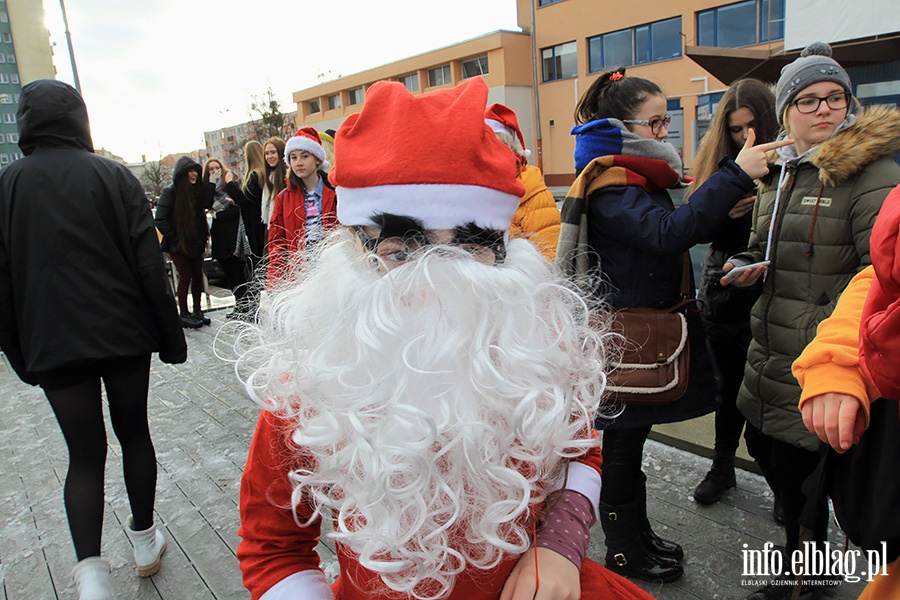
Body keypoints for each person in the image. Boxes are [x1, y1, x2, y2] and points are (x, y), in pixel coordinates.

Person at [235, 77, 655, 600]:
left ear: (503, 253)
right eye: (400, 251)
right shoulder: (316, 379)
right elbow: (271, 546)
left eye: (469, 249)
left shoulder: (535, 348)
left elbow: (578, 450)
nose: (438, 278)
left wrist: (561, 546)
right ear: (354, 255)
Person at [556, 67, 786, 584]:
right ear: (623, 127)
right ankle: (622, 549)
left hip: (635, 332)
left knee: (629, 445)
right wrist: (735, 174)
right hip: (624, 339)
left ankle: (636, 534)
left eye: (667, 122)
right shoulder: (610, 181)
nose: (665, 133)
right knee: (619, 448)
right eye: (656, 123)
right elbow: (666, 233)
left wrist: (727, 214)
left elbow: (670, 232)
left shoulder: (629, 174)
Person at [719, 42, 900, 600]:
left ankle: (803, 581)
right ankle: (798, 567)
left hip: (825, 361)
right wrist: (744, 266)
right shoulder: (783, 171)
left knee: (811, 483)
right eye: (809, 99)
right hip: (771, 352)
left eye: (835, 98)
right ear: (787, 112)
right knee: (781, 473)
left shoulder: (874, 173)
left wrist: (828, 320)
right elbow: (760, 245)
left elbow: (885, 274)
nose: (824, 109)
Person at [0, 80, 185, 600]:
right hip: (124, 332)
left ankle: (92, 578)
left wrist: (20, 354)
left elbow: (1, 280)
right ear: (80, 119)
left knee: (83, 456)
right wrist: (170, 339)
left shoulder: (7, 185)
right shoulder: (112, 175)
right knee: (134, 435)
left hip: (52, 342)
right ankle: (145, 543)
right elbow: (150, 266)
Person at [791, 186, 900, 600]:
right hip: (799, 360)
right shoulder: (776, 176)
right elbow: (882, 278)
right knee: (792, 473)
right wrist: (838, 360)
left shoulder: (875, 175)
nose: (822, 114)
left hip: (816, 345)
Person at [689, 80, 781, 510]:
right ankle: (722, 465)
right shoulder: (723, 165)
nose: (747, 138)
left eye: (753, 127)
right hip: (725, 291)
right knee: (728, 388)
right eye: (736, 129)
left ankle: (786, 488)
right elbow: (697, 229)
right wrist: (725, 208)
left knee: (775, 391)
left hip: (778, 293)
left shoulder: (792, 163)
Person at [484, 103, 560, 261]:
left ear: (512, 150)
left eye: (498, 146)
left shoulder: (532, 192)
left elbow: (552, 254)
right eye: (484, 146)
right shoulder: (474, 191)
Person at [265, 127, 338, 285]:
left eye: (304, 156)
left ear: (317, 159)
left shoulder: (335, 193)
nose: (298, 163)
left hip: (333, 270)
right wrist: (275, 282)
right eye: (293, 157)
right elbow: (278, 243)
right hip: (299, 275)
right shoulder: (283, 198)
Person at [154, 155, 214, 328]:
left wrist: (209, 181)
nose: (193, 174)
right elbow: (161, 219)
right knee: (185, 276)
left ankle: (197, 310)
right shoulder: (170, 192)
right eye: (189, 171)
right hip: (178, 243)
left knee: (197, 276)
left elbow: (207, 204)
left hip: (195, 240)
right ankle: (184, 313)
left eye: (195, 171)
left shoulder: (196, 192)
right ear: (181, 173)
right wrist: (175, 238)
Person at [224, 140, 268, 319]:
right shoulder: (262, 175)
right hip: (257, 227)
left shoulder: (256, 174)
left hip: (255, 230)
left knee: (253, 272)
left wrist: (229, 184)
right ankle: (251, 309)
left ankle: (252, 311)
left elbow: (244, 199)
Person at [205, 157, 252, 319]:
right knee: (229, 275)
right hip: (219, 237)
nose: (214, 172)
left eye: (216, 168)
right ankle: (239, 306)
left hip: (233, 236)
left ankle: (246, 306)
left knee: (239, 274)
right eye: (210, 169)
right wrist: (211, 183)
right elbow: (205, 203)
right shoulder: (208, 188)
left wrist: (219, 214)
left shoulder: (231, 184)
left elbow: (237, 208)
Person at [261, 136, 287, 228]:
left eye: (273, 152)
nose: (269, 157)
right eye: (266, 153)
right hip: (272, 226)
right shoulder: (268, 178)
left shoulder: (288, 177)